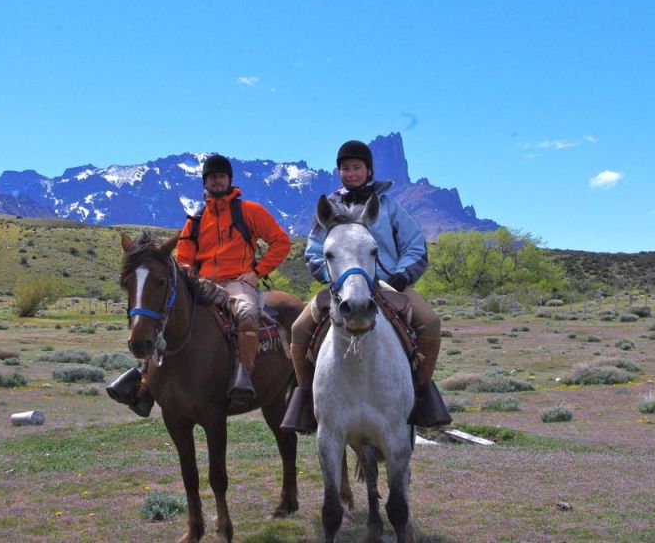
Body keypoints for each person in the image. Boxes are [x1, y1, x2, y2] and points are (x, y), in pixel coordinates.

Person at [281, 140, 451, 432]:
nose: (351, 173)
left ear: (368, 170)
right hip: (343, 285)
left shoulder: (389, 207)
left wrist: (401, 276)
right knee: (298, 329)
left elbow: (414, 246)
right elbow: (313, 251)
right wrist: (332, 277)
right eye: (345, 168)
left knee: (431, 322)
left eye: (356, 167)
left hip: (388, 283)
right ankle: (306, 398)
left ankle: (422, 393)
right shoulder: (329, 209)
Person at [107, 154, 292, 415]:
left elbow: (281, 242)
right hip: (203, 282)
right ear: (205, 183)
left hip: (238, 281)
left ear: (229, 180)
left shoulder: (249, 211)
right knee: (168, 315)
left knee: (247, 314)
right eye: (211, 177)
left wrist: (257, 273)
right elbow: (184, 258)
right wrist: (187, 275)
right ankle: (146, 382)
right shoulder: (195, 220)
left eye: (221, 176)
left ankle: (244, 376)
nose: (217, 181)